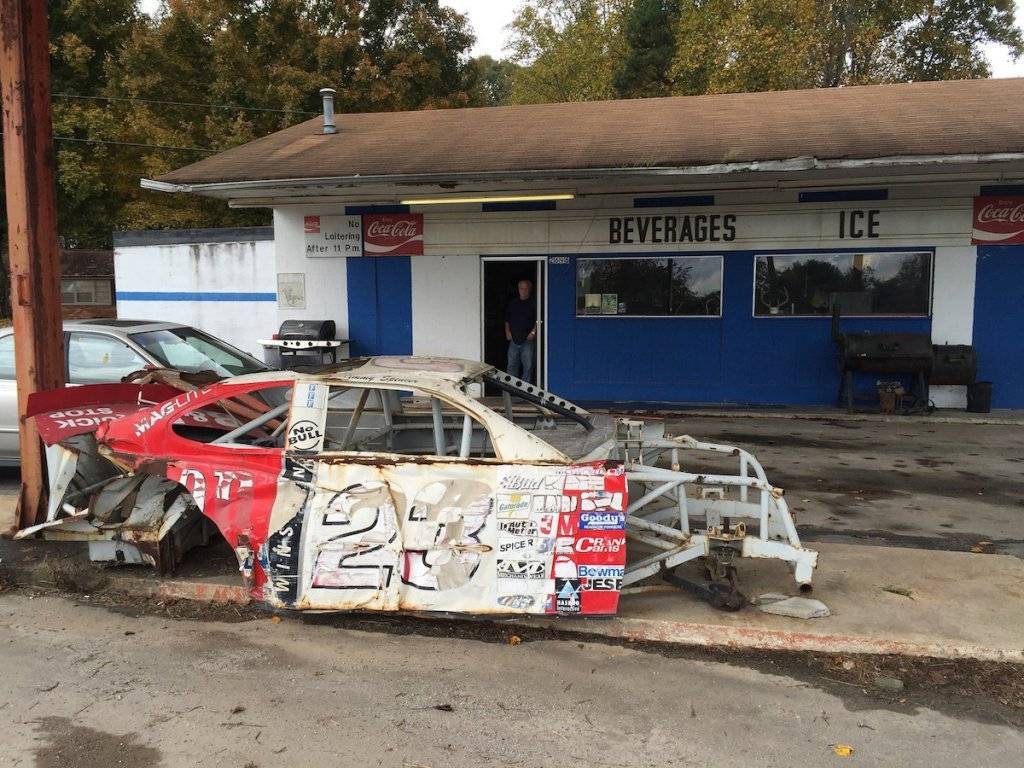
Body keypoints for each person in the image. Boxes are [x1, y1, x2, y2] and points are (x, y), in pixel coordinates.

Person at [504, 279, 537, 382]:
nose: (523, 290)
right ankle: (512, 389)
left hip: (528, 340)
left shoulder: (534, 303)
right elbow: (507, 319)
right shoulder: (513, 303)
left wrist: (533, 332)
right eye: (521, 288)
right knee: (511, 366)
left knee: (528, 367)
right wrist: (507, 332)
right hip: (514, 340)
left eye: (526, 288)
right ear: (518, 289)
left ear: (530, 289)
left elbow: (539, 320)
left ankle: (525, 392)